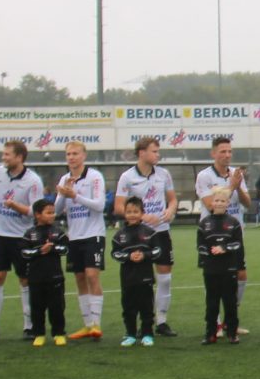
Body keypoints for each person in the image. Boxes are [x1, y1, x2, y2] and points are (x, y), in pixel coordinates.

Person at [0, 139, 44, 341]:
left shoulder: (33, 180)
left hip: (23, 237)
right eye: (3, 154)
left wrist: (15, 206)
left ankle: (29, 326)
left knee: (25, 280)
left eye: (7, 154)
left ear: (19, 157)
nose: (3, 158)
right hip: (0, 235)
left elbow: (35, 211)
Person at [114, 137, 179, 336]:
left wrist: (170, 210)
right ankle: (138, 325)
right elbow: (118, 207)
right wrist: (142, 217)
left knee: (165, 278)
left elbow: (173, 199)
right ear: (142, 153)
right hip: (137, 236)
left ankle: (162, 321)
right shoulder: (127, 177)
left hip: (161, 231)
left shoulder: (164, 174)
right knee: (139, 282)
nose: (158, 155)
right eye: (154, 151)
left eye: (158, 151)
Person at [195, 136, 254, 332]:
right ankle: (216, 324)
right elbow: (211, 205)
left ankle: (231, 319)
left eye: (229, 151)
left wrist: (238, 186)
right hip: (212, 234)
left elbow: (247, 203)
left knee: (241, 275)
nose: (227, 155)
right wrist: (232, 186)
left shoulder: (236, 174)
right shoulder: (204, 176)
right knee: (214, 279)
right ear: (213, 153)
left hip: (234, 233)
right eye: (223, 151)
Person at [55, 140, 107, 340]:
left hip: (93, 233)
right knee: (79, 278)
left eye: (75, 153)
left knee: (92, 275)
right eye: (68, 154)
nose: (71, 157)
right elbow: (57, 210)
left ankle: (96, 324)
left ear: (84, 156)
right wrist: (63, 194)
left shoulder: (94, 177)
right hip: (74, 235)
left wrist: (75, 195)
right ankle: (87, 325)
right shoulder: (65, 178)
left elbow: (100, 205)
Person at [196, 186, 245, 344]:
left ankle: (232, 333)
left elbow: (238, 244)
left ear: (227, 203)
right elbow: (200, 246)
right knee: (211, 303)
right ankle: (210, 333)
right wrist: (210, 252)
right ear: (212, 202)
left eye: (222, 201)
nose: (219, 203)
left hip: (229, 268)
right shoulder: (204, 223)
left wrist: (224, 248)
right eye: (216, 200)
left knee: (230, 302)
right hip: (211, 269)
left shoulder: (233, 223)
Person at [110, 197, 160, 347]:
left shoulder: (150, 233)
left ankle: (147, 334)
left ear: (142, 213)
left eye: (135, 211)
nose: (132, 214)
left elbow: (158, 251)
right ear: (125, 214)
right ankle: (130, 334)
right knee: (128, 308)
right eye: (129, 212)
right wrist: (128, 257)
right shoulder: (119, 235)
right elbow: (115, 254)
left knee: (146, 307)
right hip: (128, 278)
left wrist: (144, 255)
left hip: (145, 277)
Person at [20, 198, 70, 346]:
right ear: (37, 215)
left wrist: (52, 248)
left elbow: (66, 249)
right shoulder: (30, 233)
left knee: (57, 307)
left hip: (55, 276)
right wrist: (39, 251)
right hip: (35, 278)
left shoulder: (58, 232)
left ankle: (59, 333)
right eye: (48, 213)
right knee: (37, 307)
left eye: (53, 212)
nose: (52, 215)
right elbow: (24, 252)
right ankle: (39, 333)